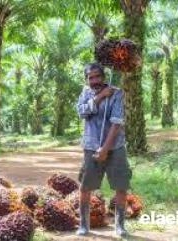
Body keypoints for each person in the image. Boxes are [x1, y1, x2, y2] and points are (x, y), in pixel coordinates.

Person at [76, 63, 132, 237]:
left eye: (97, 76)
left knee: (121, 185)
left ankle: (120, 225)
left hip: (115, 146)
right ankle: (84, 225)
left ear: (104, 76)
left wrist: (105, 149)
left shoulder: (116, 92)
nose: (94, 80)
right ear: (86, 79)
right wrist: (99, 97)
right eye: (90, 77)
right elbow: (81, 112)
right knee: (86, 187)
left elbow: (116, 123)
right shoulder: (85, 92)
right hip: (90, 145)